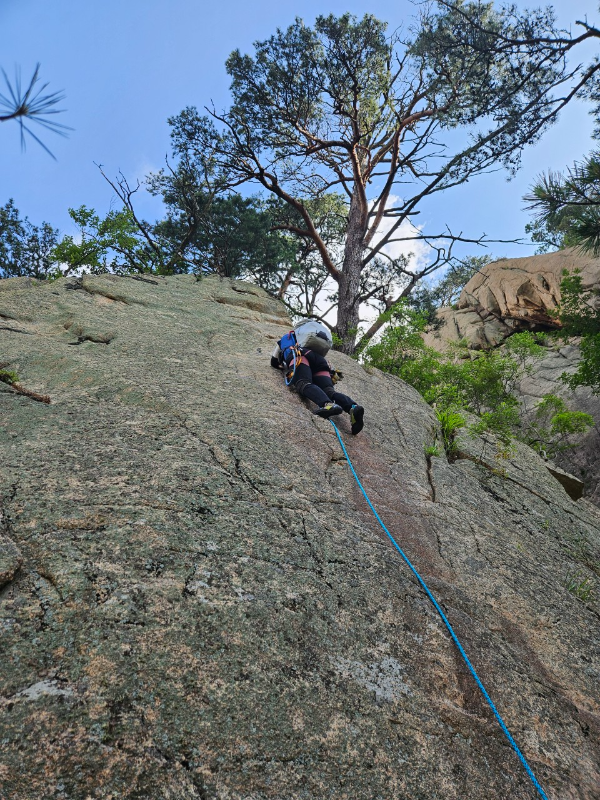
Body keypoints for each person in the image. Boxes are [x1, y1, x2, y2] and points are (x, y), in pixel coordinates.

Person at [271, 319, 365, 435]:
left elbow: (274, 361)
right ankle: (353, 407)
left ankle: (328, 405)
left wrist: (283, 365)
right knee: (329, 391)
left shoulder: (288, 336)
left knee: (303, 383)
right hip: (321, 361)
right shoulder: (314, 338)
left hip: (301, 355)